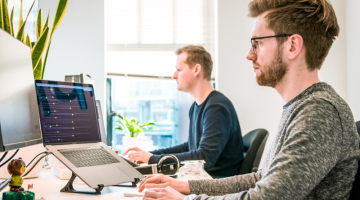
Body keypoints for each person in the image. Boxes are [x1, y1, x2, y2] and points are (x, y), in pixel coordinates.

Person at [138, 0, 360, 199]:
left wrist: (187, 199)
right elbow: (261, 178)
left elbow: (266, 197)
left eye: (257, 44)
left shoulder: (319, 112)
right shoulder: (301, 107)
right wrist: (187, 186)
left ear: (292, 46)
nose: (249, 54)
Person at [123, 45, 244, 178]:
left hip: (216, 185)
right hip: (200, 178)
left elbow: (204, 158)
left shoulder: (216, 107)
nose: (174, 76)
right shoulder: (196, 106)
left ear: (196, 69)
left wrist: (152, 159)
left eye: (179, 70)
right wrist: (150, 155)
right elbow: (190, 147)